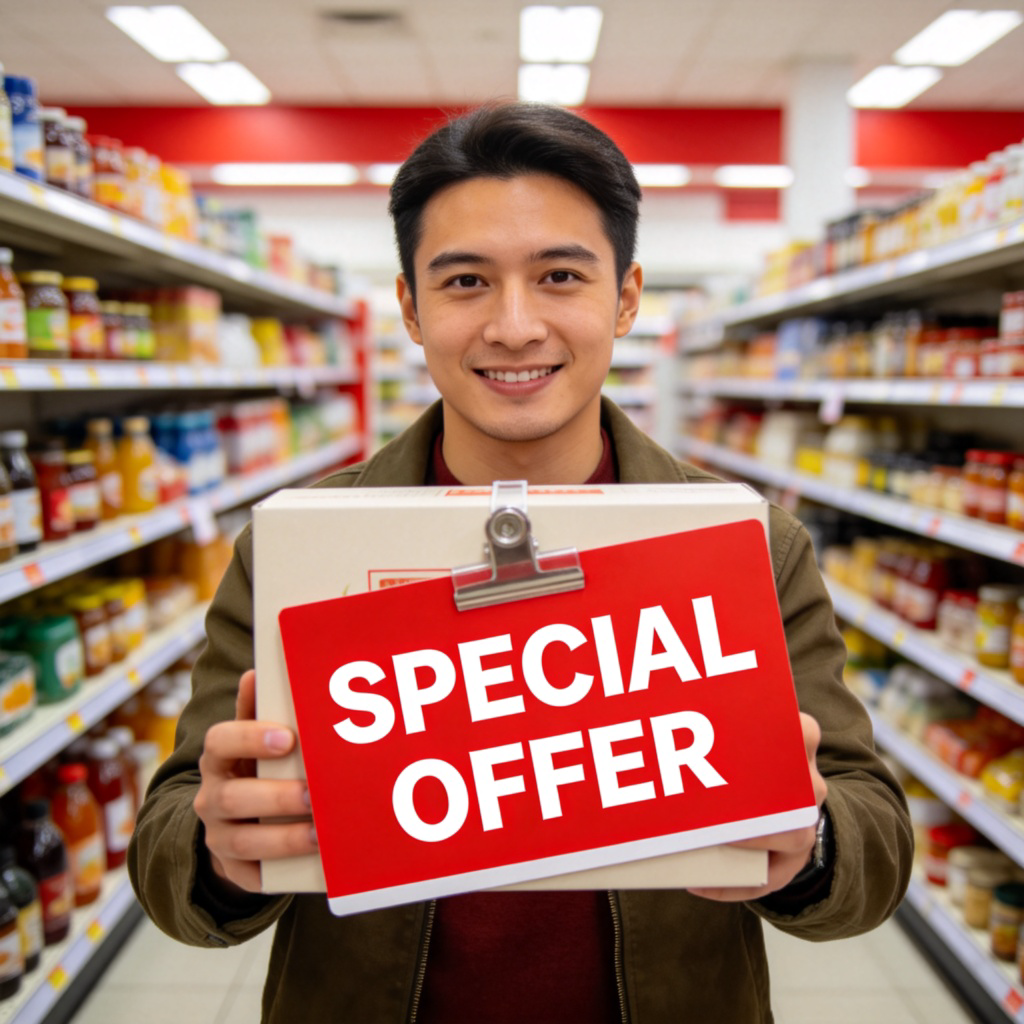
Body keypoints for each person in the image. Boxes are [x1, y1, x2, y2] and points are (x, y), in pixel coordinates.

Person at [128, 102, 913, 1024]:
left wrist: (813, 839)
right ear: (412, 309)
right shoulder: (304, 543)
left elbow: (875, 834)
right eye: (464, 281)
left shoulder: (745, 543)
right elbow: (169, 846)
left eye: (559, 276)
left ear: (624, 299)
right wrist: (219, 853)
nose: (513, 326)